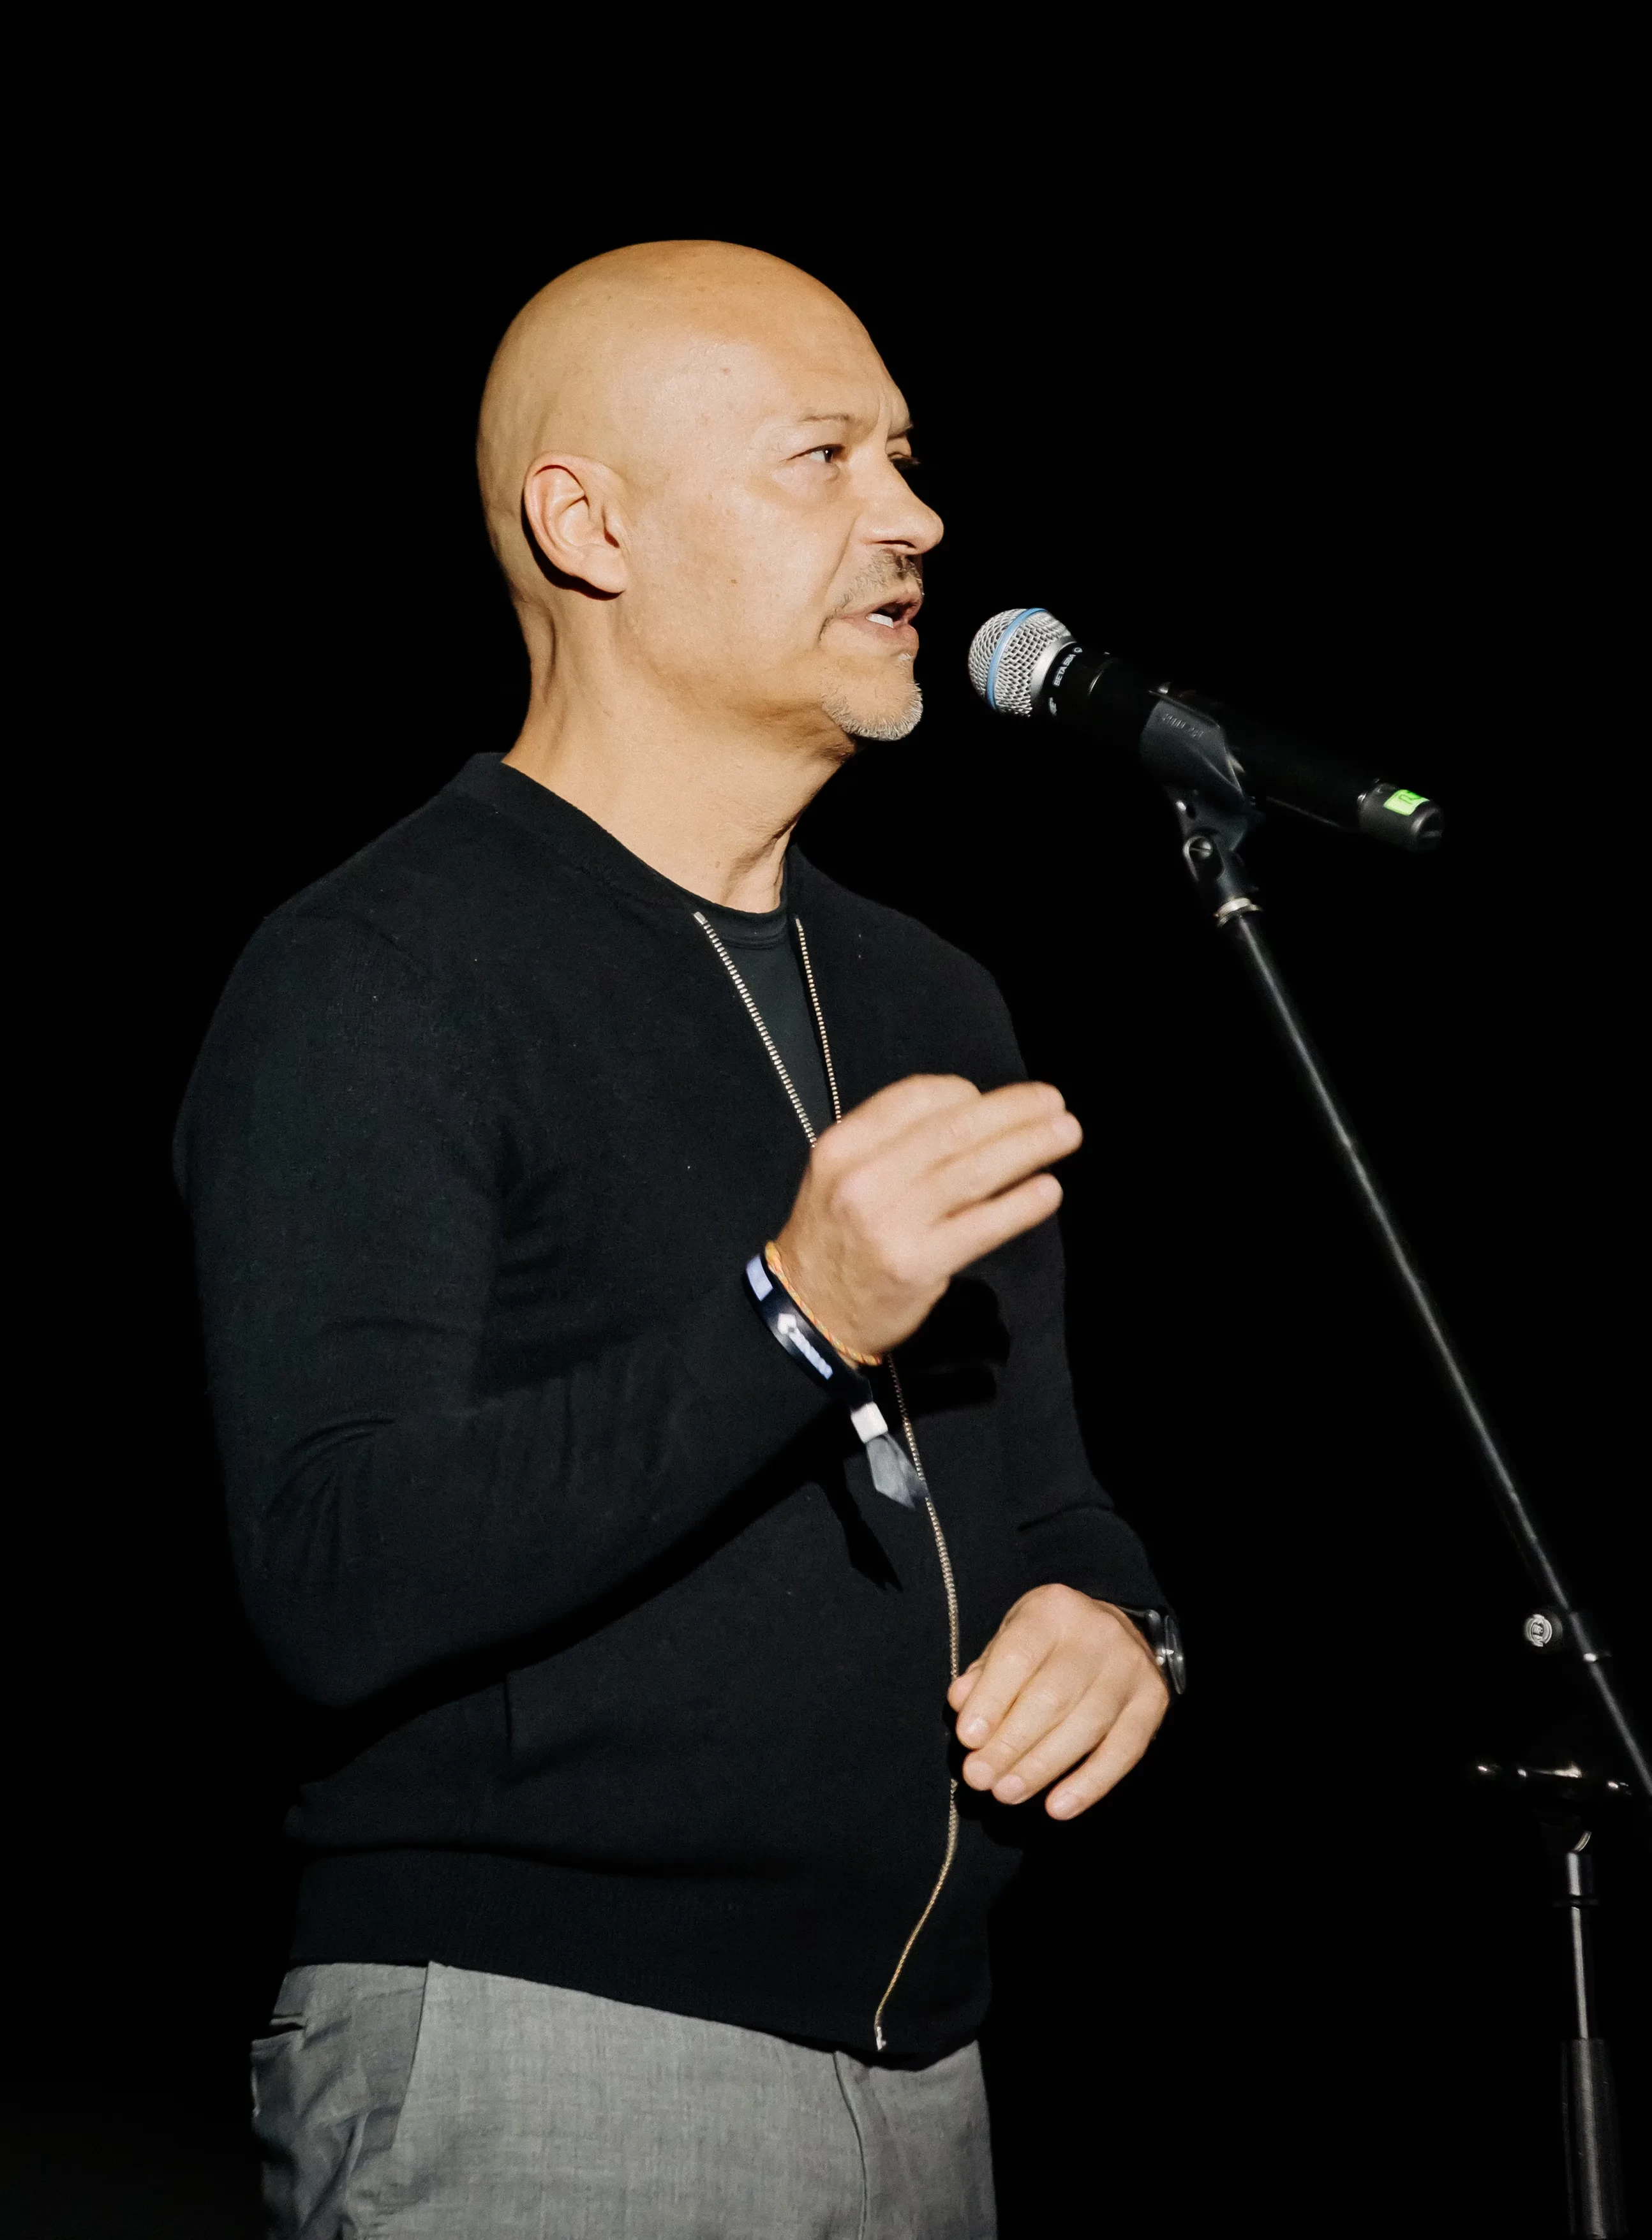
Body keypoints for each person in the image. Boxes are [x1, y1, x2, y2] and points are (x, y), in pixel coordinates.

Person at [177, 239, 1176, 2240]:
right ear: (590, 525)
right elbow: (333, 1564)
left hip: (932, 2071)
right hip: (550, 2049)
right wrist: (793, 1316)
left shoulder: (931, 998)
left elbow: (1045, 1495)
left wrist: (1115, 1617)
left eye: (904, 458)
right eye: (824, 456)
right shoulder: (381, 968)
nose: (913, 518)